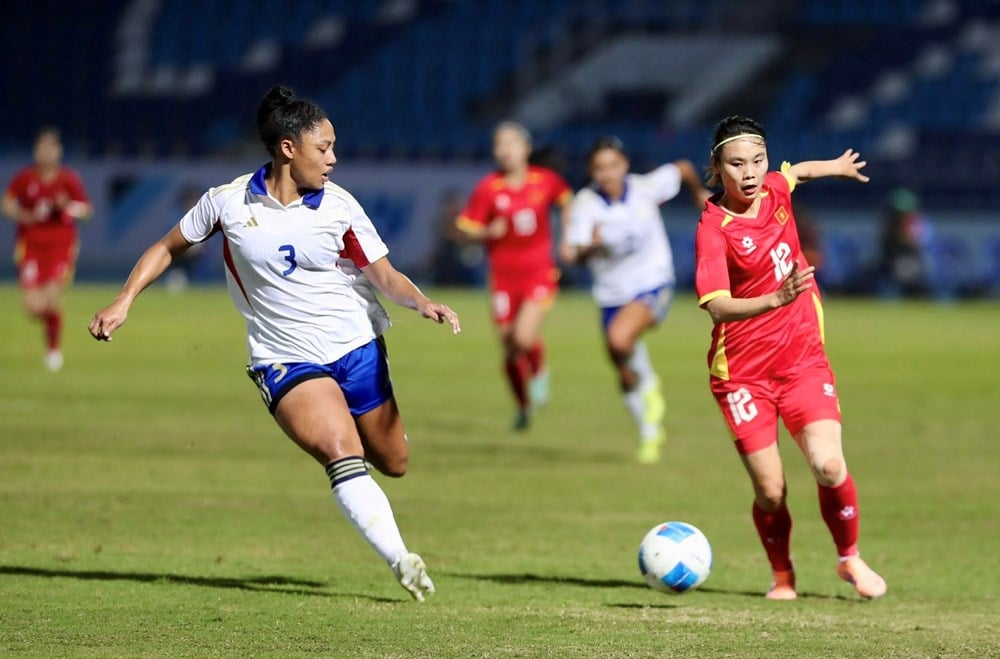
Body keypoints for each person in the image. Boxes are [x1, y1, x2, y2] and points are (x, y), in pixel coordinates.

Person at [88, 85, 460, 602]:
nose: (334, 159)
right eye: (324, 148)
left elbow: (386, 274)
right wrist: (124, 299)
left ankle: (372, 481)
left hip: (356, 349)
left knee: (393, 461)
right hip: (284, 359)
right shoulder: (228, 203)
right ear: (289, 148)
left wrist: (420, 301)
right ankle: (402, 559)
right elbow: (168, 246)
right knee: (341, 450)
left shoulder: (339, 207)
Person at [694, 115, 886, 600]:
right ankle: (783, 577)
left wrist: (836, 166)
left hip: (802, 361)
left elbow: (795, 171)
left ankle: (850, 559)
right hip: (741, 375)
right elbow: (716, 306)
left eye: (757, 160)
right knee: (772, 491)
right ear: (717, 169)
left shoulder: (776, 189)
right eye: (737, 164)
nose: (751, 172)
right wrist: (774, 300)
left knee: (828, 465)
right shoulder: (713, 229)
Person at [560, 137, 709, 464]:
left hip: (652, 282)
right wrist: (589, 248)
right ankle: (649, 431)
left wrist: (698, 191)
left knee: (619, 337)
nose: (607, 173)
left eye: (613, 165)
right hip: (611, 294)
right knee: (620, 365)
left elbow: (683, 168)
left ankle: (650, 382)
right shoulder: (585, 205)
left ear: (624, 165)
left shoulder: (646, 187)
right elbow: (573, 255)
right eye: (600, 168)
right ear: (591, 171)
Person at [456, 121, 573, 430]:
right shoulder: (489, 188)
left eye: (511, 143)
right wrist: (485, 232)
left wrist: (567, 237)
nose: (505, 151)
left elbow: (567, 200)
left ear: (526, 148)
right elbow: (464, 230)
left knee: (522, 337)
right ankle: (523, 407)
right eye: (499, 145)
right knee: (509, 347)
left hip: (539, 273)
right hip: (504, 280)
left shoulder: (545, 181)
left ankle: (540, 370)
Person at [3, 127, 92, 371]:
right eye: (40, 147)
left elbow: (86, 210)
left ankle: (53, 350)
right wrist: (22, 214)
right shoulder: (26, 178)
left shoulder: (68, 179)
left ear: (58, 151)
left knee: (52, 299)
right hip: (30, 246)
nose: (44, 152)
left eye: (49, 147)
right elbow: (7, 202)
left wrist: (68, 206)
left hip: (60, 246)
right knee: (32, 307)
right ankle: (53, 323)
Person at [877, 187, 933, 298]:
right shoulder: (889, 226)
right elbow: (885, 247)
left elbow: (921, 243)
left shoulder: (916, 222)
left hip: (910, 262)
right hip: (892, 262)